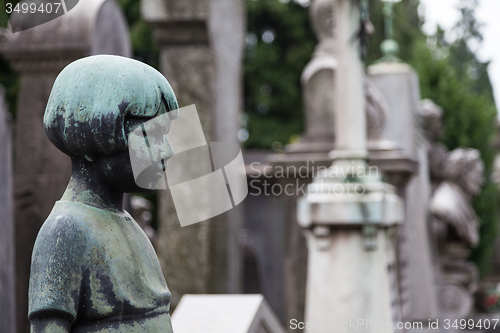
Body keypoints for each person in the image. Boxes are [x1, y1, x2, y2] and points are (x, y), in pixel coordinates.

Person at [28, 55, 178, 333]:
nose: (166, 150)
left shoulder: (130, 225)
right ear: (90, 137)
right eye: (151, 135)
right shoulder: (65, 231)